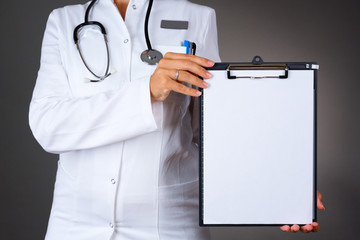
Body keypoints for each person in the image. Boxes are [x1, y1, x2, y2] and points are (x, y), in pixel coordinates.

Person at [29, 0, 324, 239]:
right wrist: (147, 91)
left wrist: (284, 185)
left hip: (171, 223)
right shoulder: (65, 20)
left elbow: (216, 132)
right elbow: (48, 126)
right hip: (75, 223)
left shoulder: (197, 16)